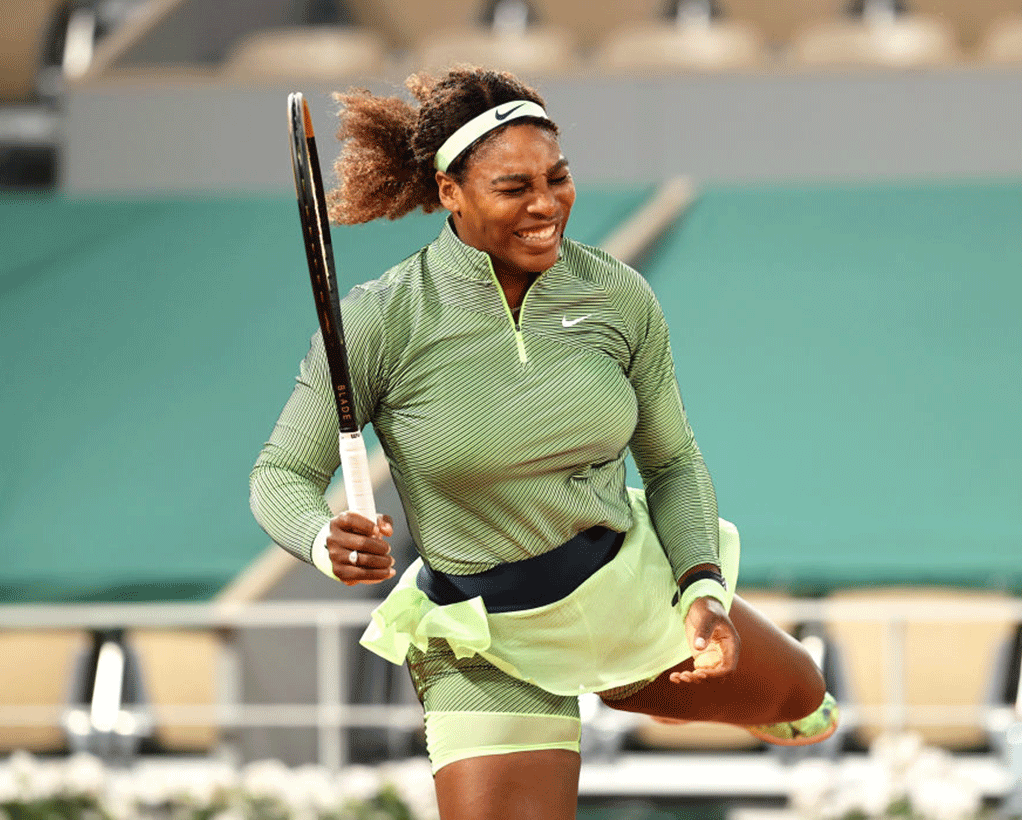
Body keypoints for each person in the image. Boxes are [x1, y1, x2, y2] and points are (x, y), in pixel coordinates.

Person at [250, 65, 838, 820]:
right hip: (482, 638)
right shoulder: (382, 320)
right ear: (450, 193)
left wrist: (700, 589)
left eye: (557, 178)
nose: (545, 205)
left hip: (626, 589)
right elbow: (281, 473)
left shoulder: (616, 293)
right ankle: (615, 689)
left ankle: (645, 682)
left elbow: (671, 461)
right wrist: (321, 536)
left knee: (807, 701)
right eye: (513, 187)